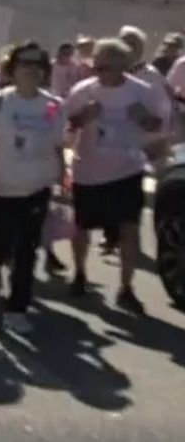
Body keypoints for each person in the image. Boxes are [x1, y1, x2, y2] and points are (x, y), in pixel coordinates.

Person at [0, 41, 66, 334]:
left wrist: (61, 179)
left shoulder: (52, 105)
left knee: (27, 250)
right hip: (2, 188)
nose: (32, 70)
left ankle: (17, 307)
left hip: (38, 188)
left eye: (38, 64)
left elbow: (57, 144)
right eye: (26, 63)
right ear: (12, 69)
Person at [65, 38, 166, 314]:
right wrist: (84, 116)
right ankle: (80, 274)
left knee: (129, 229)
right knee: (82, 227)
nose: (98, 72)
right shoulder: (83, 90)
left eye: (104, 67)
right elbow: (67, 123)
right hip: (88, 170)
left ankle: (126, 287)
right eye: (95, 66)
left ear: (123, 67)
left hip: (127, 169)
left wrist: (143, 118)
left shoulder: (143, 92)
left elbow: (159, 125)